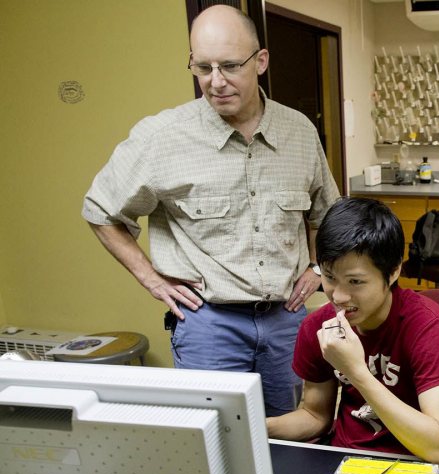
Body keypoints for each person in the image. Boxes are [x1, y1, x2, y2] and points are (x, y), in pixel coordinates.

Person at [81, 5, 339, 417]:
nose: (215, 82)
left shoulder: (299, 132)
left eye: (231, 66)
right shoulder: (162, 137)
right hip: (208, 324)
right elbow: (99, 209)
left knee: (296, 435)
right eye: (203, 67)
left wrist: (317, 269)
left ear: (261, 61)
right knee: (218, 444)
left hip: (285, 320)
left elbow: (326, 215)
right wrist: (151, 279)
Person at [266, 197, 439, 469]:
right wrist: (260, 428)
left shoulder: (427, 326)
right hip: (344, 462)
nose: (339, 296)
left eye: (356, 282)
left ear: (393, 271)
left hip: (411, 465)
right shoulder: (319, 327)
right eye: (330, 277)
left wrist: (356, 372)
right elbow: (315, 415)